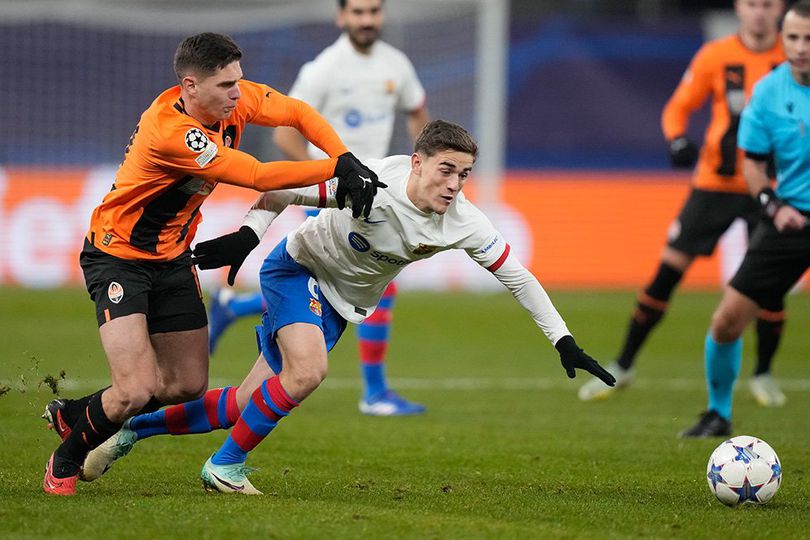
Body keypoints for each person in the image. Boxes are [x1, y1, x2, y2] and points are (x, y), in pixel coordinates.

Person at [80, 120, 616, 493]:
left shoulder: (466, 223)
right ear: (416, 162)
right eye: (445, 170)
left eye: (464, 175)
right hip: (296, 270)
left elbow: (517, 277)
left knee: (245, 406)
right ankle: (226, 468)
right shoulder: (372, 185)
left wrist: (562, 339)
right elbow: (282, 194)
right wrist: (248, 235)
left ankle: (135, 429)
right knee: (308, 372)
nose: (454, 185)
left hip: (341, 305)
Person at [40, 32, 383, 496]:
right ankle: (66, 458)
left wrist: (342, 155)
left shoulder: (231, 102)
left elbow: (298, 112)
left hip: (173, 258)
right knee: (135, 389)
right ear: (190, 86)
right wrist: (335, 169)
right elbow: (258, 175)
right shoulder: (173, 132)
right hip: (117, 257)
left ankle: (74, 413)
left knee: (186, 385)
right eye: (225, 85)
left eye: (238, 82)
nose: (238, 94)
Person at [207, 0, 431, 416]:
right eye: (358, 12)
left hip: (378, 193)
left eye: (374, 11)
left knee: (334, 285)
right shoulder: (323, 69)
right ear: (341, 17)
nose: (367, 19)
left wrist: (421, 165)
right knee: (369, 281)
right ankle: (375, 392)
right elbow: (284, 135)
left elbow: (417, 110)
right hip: (335, 193)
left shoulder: (396, 64)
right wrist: (316, 182)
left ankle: (232, 307)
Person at [578, 0, 788, 406]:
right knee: (666, 273)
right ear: (739, 9)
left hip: (768, 185)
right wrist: (676, 137)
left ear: (778, 9)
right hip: (714, 185)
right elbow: (678, 106)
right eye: (751, 4)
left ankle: (763, 374)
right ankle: (622, 366)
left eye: (766, 4)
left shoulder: (792, 58)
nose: (759, 12)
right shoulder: (716, 56)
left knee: (770, 286)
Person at [680, 1, 810, 437]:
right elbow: (753, 163)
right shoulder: (770, 92)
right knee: (726, 321)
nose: (800, 47)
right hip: (788, 219)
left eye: (809, 39)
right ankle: (718, 413)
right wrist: (774, 206)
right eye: (793, 38)